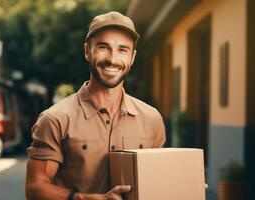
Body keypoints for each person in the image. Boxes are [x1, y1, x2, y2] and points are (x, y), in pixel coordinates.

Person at [25, 11, 166, 200]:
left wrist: (182, 183)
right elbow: (34, 188)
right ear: (87, 51)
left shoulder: (152, 119)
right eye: (103, 47)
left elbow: (157, 181)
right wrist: (85, 199)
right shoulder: (55, 119)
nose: (112, 59)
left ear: (132, 58)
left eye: (122, 50)